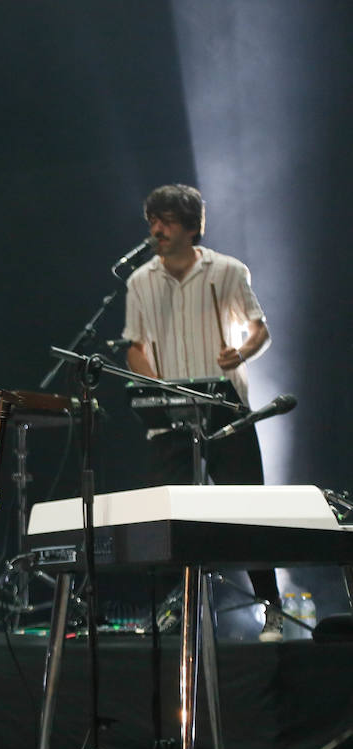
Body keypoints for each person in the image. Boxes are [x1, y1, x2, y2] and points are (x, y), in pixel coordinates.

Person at [121, 183, 282, 635]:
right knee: (163, 515)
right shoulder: (139, 281)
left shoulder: (228, 270)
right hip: (170, 410)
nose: (157, 228)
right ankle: (173, 613)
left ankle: (270, 606)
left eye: (167, 220)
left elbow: (258, 329)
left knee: (247, 509)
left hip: (225, 406)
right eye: (152, 219)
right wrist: (151, 379)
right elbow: (135, 346)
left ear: (191, 226)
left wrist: (242, 352)